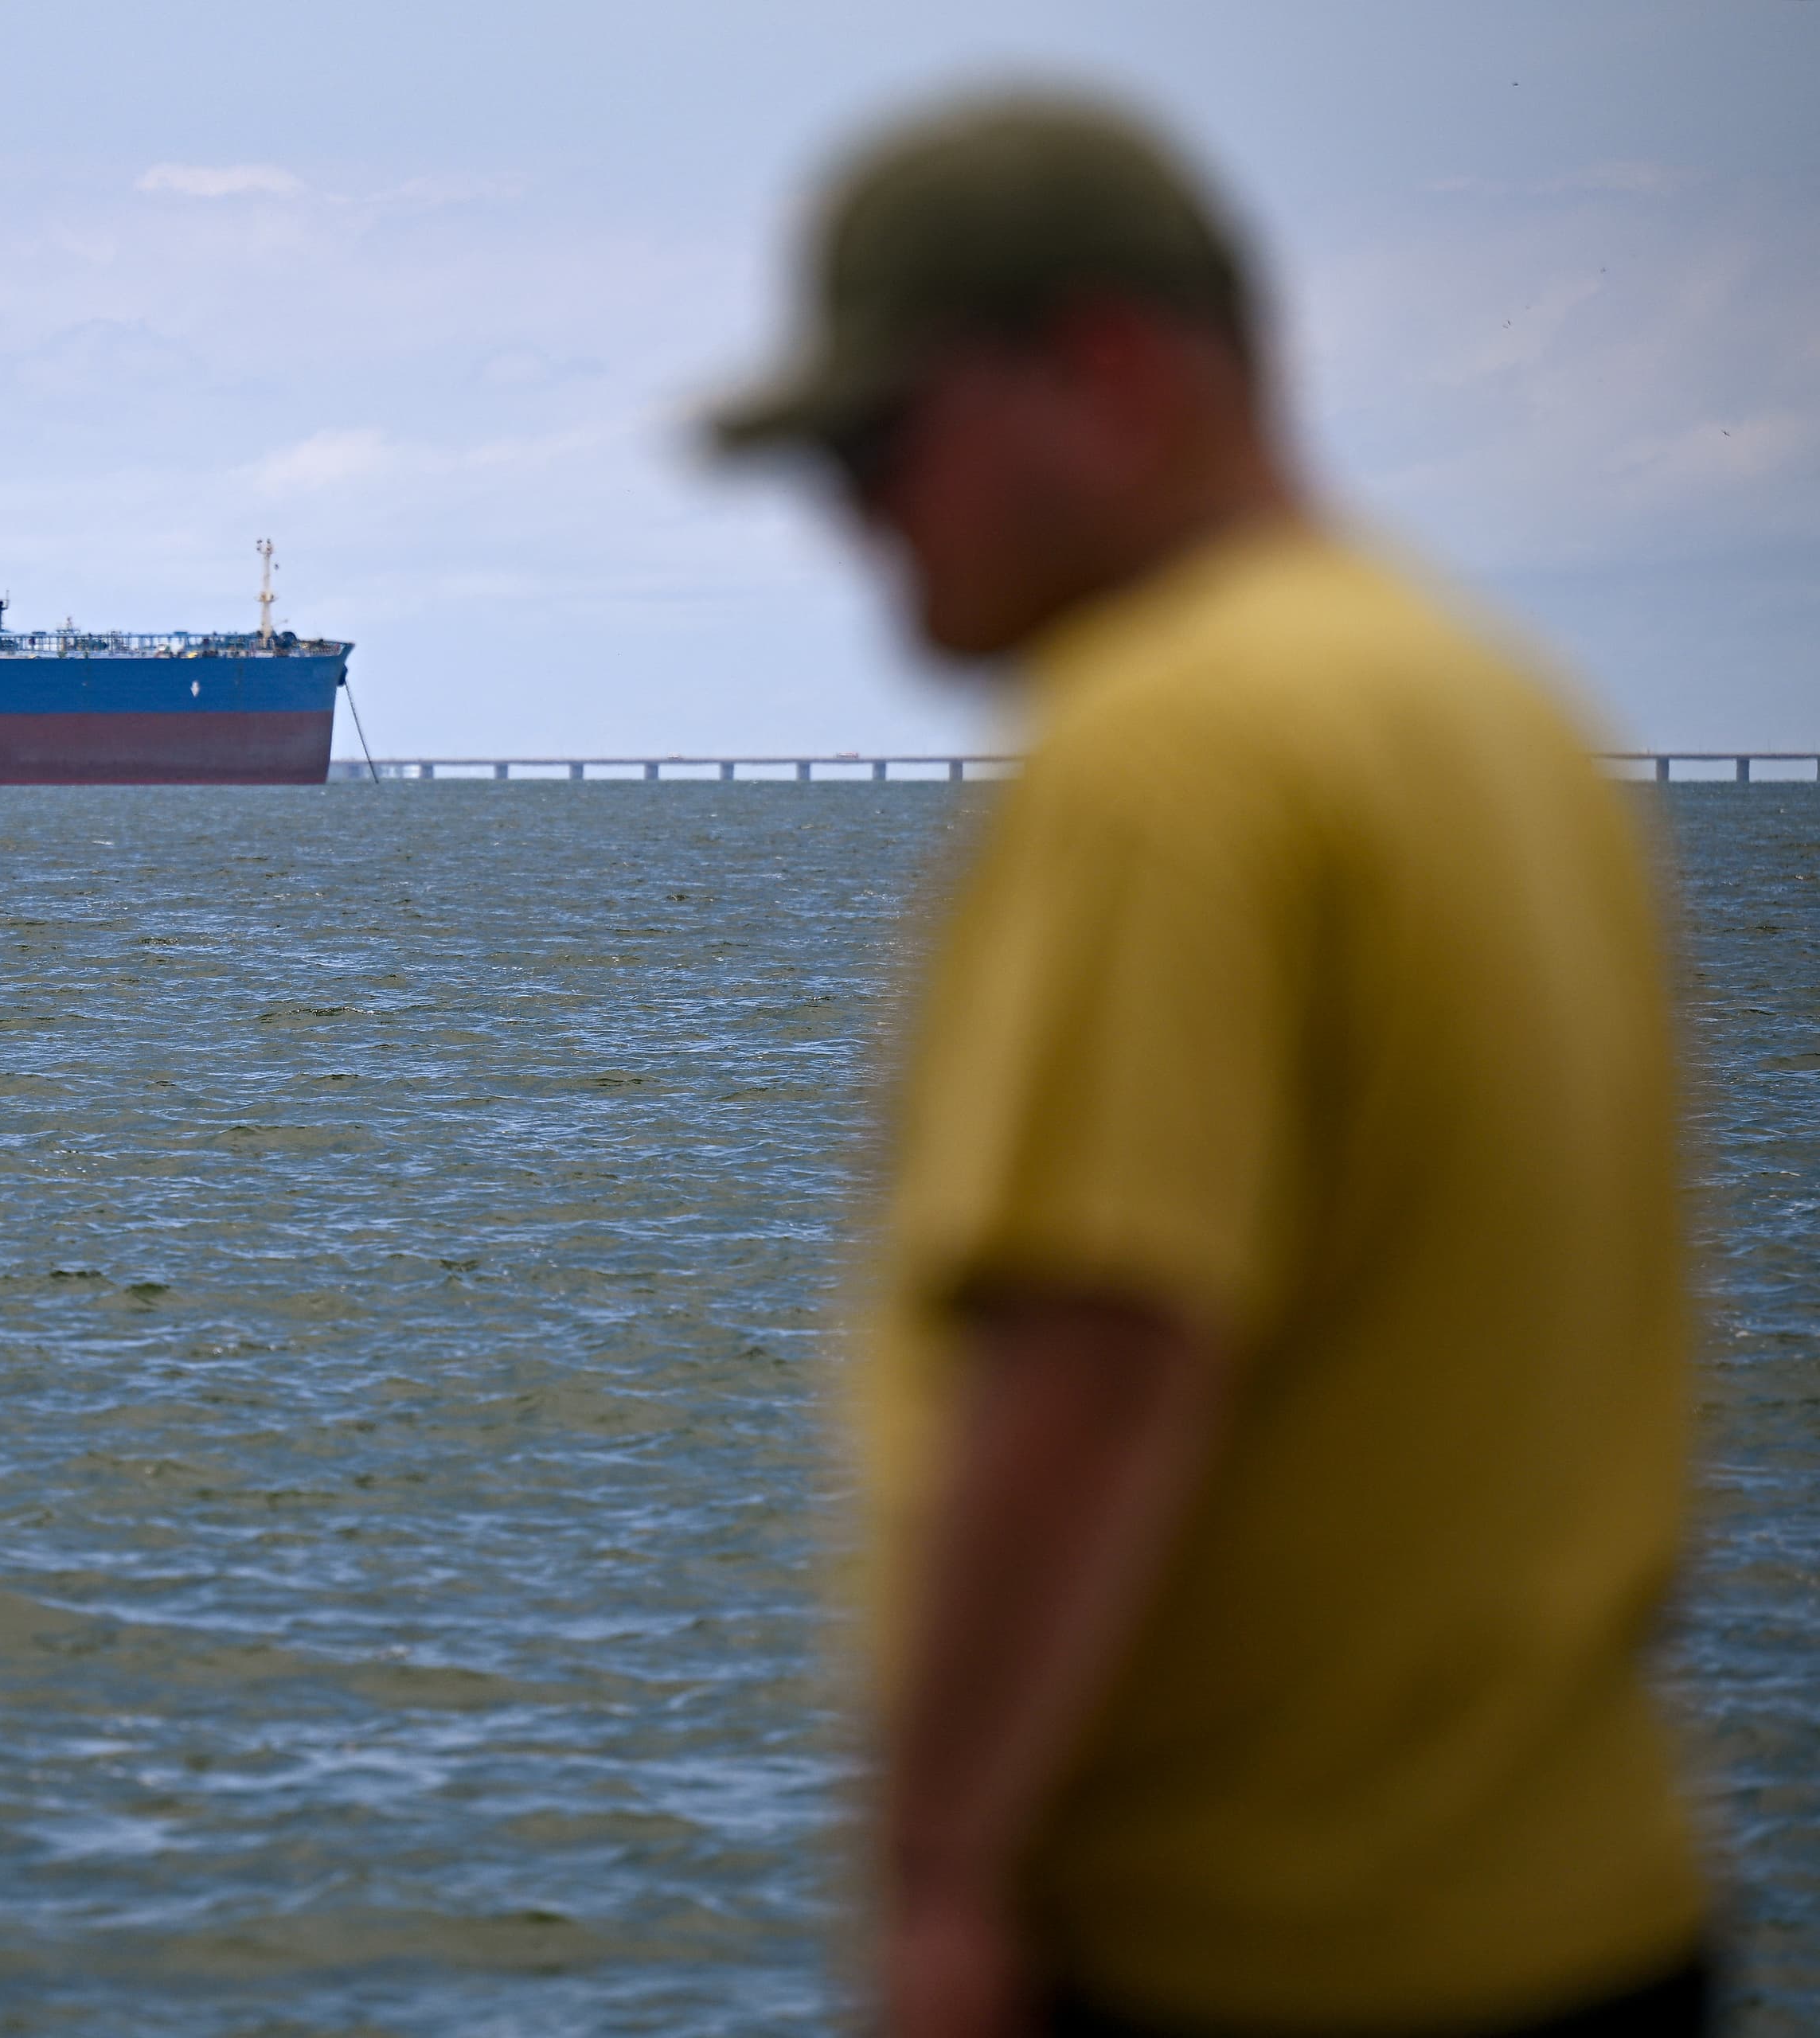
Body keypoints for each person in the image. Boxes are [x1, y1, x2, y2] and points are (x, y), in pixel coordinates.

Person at [705, 93, 1714, 2037]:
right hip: (1589, 1913)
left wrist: (936, 1883)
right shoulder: (1503, 713)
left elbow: (1101, 1355)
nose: (851, 522)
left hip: (1256, 1954)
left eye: (875, 443)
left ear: (1104, 367)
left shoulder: (1170, 757)